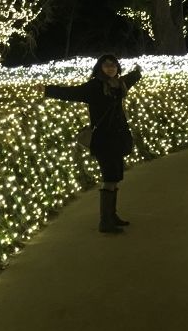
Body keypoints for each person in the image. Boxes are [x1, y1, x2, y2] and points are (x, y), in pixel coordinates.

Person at [39, 54, 142, 234]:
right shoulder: (94, 86)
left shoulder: (119, 84)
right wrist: (48, 90)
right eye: (106, 65)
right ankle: (105, 222)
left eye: (113, 65)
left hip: (117, 138)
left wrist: (138, 72)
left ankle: (112, 215)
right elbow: (71, 93)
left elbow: (131, 78)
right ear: (100, 67)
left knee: (115, 177)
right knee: (109, 177)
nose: (110, 68)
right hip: (104, 140)